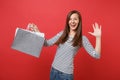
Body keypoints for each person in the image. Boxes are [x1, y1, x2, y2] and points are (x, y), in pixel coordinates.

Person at [28, 10, 101, 80]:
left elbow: (96, 55)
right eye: (70, 19)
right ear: (68, 21)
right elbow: (46, 43)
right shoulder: (62, 34)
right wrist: (37, 31)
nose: (72, 21)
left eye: (75, 19)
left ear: (79, 21)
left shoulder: (82, 39)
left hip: (65, 75)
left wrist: (98, 37)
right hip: (53, 70)